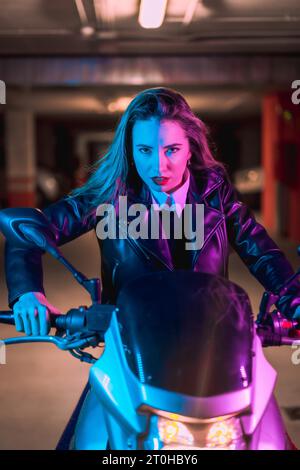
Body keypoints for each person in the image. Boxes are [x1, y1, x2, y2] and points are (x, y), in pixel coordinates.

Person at [4, 87, 300, 448]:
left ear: (191, 146)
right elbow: (28, 234)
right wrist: (28, 293)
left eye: (171, 150)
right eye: (144, 150)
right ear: (130, 150)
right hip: (132, 353)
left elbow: (263, 252)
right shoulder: (107, 195)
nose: (158, 166)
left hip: (215, 349)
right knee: (79, 441)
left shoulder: (216, 192)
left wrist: (294, 298)